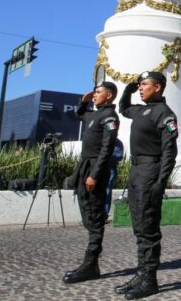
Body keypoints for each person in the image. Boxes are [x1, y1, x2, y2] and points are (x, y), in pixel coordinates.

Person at [116, 71, 178, 299]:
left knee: (148, 229)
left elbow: (170, 150)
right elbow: (123, 108)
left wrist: (161, 182)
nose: (140, 88)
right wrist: (128, 89)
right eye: (139, 85)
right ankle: (141, 273)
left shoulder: (164, 113)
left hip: (150, 171)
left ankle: (150, 279)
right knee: (139, 227)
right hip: (136, 171)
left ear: (158, 87)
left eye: (144, 85)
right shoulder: (141, 110)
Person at [63, 82, 120, 284]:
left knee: (94, 214)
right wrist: (83, 100)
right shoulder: (94, 114)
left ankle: (91, 263)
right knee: (87, 210)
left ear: (109, 95)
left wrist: (94, 175)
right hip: (84, 165)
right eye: (94, 92)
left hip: (96, 167)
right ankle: (91, 263)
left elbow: (107, 148)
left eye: (98, 92)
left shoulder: (110, 117)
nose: (94, 95)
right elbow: (79, 114)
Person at [105, 137, 125, 216]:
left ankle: (105, 214)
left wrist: (108, 155)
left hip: (111, 169)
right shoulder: (101, 139)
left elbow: (120, 155)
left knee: (107, 190)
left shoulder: (117, 142)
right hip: (100, 168)